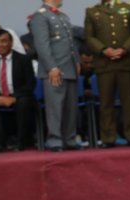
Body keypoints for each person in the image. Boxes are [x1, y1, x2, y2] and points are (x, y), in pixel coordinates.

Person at [85, 0, 130, 148]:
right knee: (106, 103)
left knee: (128, 101)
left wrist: (124, 49)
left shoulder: (129, 8)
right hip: (104, 63)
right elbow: (89, 37)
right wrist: (104, 50)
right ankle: (108, 138)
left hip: (125, 62)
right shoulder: (92, 11)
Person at [30, 0, 82, 152]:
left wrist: (77, 61)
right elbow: (42, 45)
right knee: (55, 107)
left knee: (70, 107)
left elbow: (71, 44)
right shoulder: (40, 16)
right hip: (54, 69)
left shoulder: (63, 16)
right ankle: (55, 141)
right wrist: (51, 67)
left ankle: (69, 139)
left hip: (69, 67)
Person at [0, 29, 36, 153]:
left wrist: (14, 97)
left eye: (4, 41)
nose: (0, 45)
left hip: (18, 96)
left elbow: (30, 83)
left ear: (11, 43)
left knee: (25, 102)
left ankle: (21, 141)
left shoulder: (23, 59)